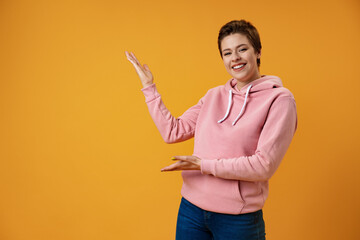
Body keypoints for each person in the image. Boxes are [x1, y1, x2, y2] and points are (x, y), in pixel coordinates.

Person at [125, 19, 297, 240]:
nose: (234, 58)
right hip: (191, 211)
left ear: (258, 52)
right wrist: (149, 88)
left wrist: (204, 165)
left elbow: (263, 166)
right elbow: (173, 131)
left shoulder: (280, 100)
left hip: (237, 218)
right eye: (227, 53)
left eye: (242, 49)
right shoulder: (214, 95)